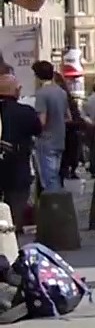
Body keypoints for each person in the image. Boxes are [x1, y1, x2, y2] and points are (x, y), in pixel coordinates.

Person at [0, 75, 40, 234]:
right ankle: (11, 241)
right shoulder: (25, 112)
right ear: (16, 91)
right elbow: (38, 130)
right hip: (17, 167)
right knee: (16, 206)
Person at [31, 60, 68, 194]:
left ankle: (55, 209)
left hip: (46, 140)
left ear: (37, 76)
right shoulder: (61, 92)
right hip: (60, 139)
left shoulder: (42, 94)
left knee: (49, 179)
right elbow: (67, 116)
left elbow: (42, 121)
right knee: (55, 174)